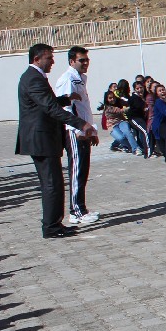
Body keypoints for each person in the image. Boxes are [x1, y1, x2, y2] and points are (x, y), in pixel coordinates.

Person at [17, 44, 95, 238]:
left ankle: (54, 224)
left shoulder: (35, 78)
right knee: (52, 183)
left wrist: (66, 99)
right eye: (49, 58)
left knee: (54, 183)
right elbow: (50, 108)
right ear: (36, 59)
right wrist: (82, 124)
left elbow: (48, 102)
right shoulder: (33, 78)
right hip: (41, 139)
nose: (52, 61)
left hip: (44, 139)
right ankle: (51, 227)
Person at [53, 46, 98, 225]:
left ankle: (81, 207)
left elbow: (84, 108)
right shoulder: (68, 79)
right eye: (82, 60)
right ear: (72, 61)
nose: (86, 63)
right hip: (74, 131)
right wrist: (80, 130)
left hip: (83, 131)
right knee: (77, 170)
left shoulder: (80, 79)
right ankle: (76, 211)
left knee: (83, 170)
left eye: (87, 60)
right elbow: (66, 107)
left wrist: (91, 131)